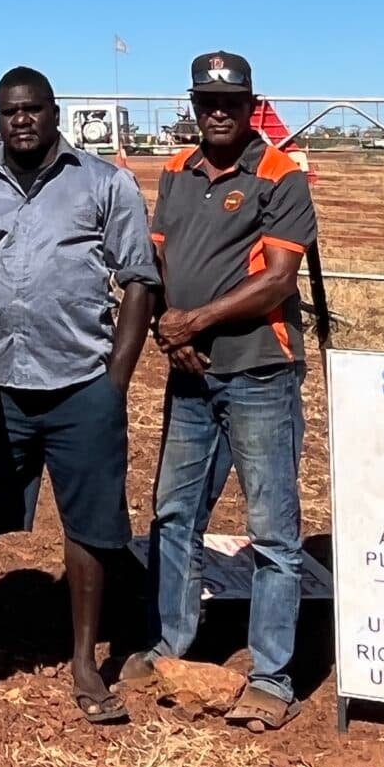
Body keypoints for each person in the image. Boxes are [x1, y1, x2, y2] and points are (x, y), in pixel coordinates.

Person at [0, 69, 159, 724]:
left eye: (32, 109)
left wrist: (115, 382)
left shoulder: (104, 184)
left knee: (90, 528)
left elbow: (139, 280)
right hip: (0, 387)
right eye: (9, 112)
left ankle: (85, 662)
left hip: (83, 384)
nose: (21, 121)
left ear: (55, 113)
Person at [140, 50, 318, 731]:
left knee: (272, 531)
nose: (218, 112)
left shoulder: (278, 175)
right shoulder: (178, 172)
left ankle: (272, 675)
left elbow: (277, 280)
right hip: (189, 374)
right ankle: (173, 647)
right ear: (193, 104)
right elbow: (157, 262)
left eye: (231, 101)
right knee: (174, 513)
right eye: (206, 101)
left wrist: (198, 321)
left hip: (258, 373)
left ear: (251, 105)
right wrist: (173, 331)